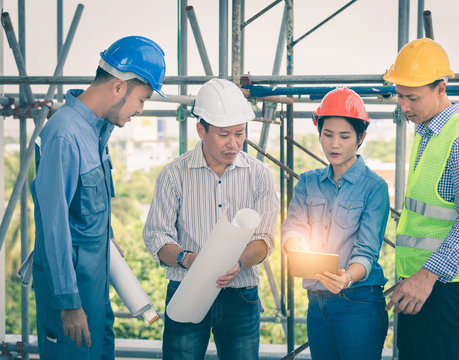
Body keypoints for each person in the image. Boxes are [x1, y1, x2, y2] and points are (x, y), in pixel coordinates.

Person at [30, 36, 166, 360]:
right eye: (142, 99)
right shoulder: (64, 134)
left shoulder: (96, 132)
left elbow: (86, 209)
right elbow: (53, 226)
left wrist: (105, 238)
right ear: (119, 87)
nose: (140, 110)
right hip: (72, 300)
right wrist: (69, 304)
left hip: (95, 293)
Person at [143, 78, 279, 360]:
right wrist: (188, 259)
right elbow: (157, 236)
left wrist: (238, 263)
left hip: (240, 295)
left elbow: (264, 240)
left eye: (240, 134)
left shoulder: (260, 175)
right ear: (201, 130)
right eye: (223, 134)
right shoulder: (174, 175)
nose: (234, 143)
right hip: (186, 289)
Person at [383, 38, 459, 360]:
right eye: (400, 96)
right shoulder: (428, 132)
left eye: (412, 97)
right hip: (421, 281)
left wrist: (425, 277)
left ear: (441, 88)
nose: (404, 106)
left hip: (442, 285)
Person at [281, 87, 390, 360]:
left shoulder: (374, 188)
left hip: (359, 303)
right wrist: (296, 248)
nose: (334, 144)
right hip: (317, 303)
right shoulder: (308, 182)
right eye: (327, 135)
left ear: (361, 137)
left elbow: (367, 251)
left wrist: (347, 276)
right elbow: (293, 227)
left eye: (344, 136)